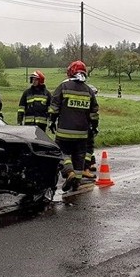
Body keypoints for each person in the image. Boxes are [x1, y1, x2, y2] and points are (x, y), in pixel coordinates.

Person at [49, 60, 99, 192]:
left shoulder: (63, 87)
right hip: (82, 133)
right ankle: (76, 181)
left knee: (61, 153)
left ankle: (69, 173)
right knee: (79, 157)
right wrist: (94, 127)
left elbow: (54, 107)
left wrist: (52, 121)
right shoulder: (89, 91)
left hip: (64, 132)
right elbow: (94, 114)